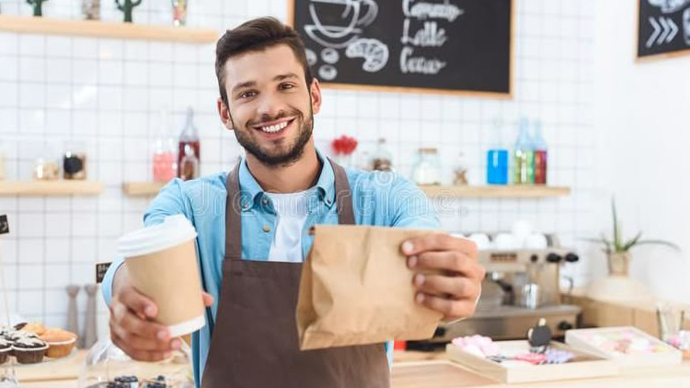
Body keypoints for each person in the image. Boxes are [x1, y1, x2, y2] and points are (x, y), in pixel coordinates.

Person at [102, 17, 485, 388]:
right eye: (248, 93)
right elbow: (138, 258)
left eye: (285, 85)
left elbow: (424, 243)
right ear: (225, 113)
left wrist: (450, 281)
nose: (270, 107)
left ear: (314, 95)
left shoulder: (385, 198)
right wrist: (126, 292)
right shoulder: (191, 202)